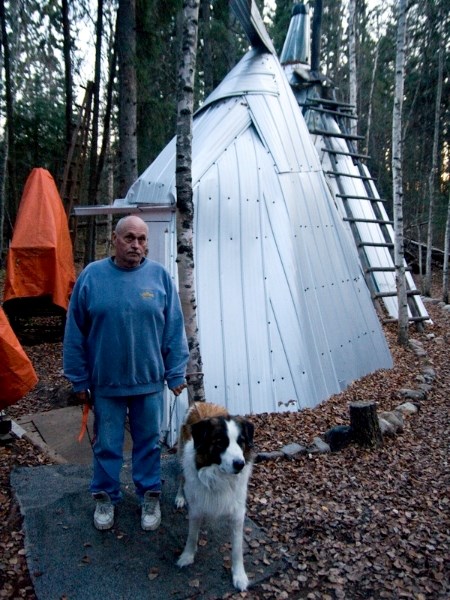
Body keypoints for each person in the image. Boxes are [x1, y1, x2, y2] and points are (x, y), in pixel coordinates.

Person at [63, 215, 189, 532]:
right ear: (115, 240)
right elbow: (74, 333)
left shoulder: (160, 278)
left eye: (142, 239)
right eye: (130, 238)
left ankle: (149, 496)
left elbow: (174, 330)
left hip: (148, 384)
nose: (136, 245)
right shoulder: (92, 277)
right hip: (106, 385)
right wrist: (78, 379)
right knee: (107, 444)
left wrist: (175, 372)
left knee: (148, 442)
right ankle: (105, 497)